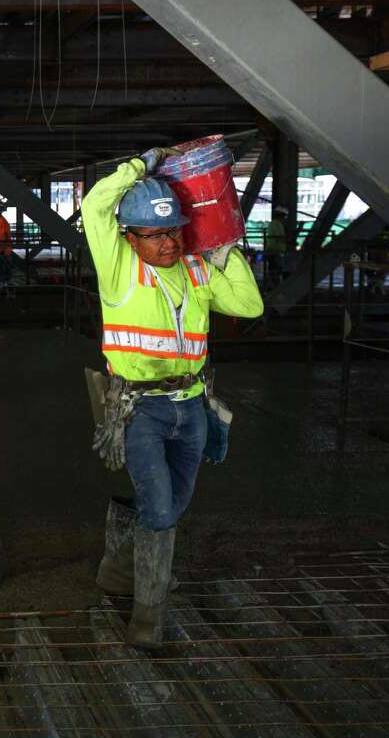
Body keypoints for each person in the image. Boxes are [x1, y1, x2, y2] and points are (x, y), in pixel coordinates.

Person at [85, 148, 263, 648]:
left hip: (192, 408)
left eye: (174, 231)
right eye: (156, 234)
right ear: (130, 238)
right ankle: (149, 613)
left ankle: (119, 572)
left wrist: (223, 250)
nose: (168, 242)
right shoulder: (119, 271)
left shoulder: (197, 271)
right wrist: (139, 166)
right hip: (140, 410)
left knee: (176, 502)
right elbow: (95, 207)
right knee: (160, 508)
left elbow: (249, 305)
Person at [263, 206, 288, 288]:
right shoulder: (276, 224)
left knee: (274, 271)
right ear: (281, 215)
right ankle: (274, 287)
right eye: (284, 216)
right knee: (275, 271)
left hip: (274, 251)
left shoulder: (275, 224)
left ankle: (272, 287)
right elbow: (278, 238)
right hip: (275, 251)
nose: (284, 218)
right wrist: (289, 241)